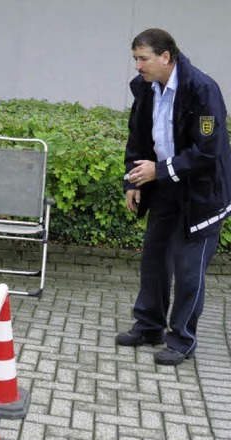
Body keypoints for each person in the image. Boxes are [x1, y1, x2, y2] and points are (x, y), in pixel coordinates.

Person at [115, 29, 231, 366]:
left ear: (166, 57)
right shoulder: (146, 90)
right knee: (154, 257)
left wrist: (159, 170)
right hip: (165, 187)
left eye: (143, 58)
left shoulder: (202, 90)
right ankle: (149, 326)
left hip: (202, 194)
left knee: (188, 268)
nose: (137, 66)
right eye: (135, 58)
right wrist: (133, 181)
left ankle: (181, 340)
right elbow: (137, 140)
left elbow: (208, 151)